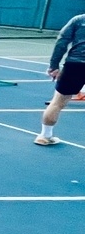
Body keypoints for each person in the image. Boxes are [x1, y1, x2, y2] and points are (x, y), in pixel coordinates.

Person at [35, 12, 85, 146]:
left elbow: (62, 41)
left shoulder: (79, 20)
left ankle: (44, 136)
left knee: (57, 102)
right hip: (77, 63)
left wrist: (54, 65)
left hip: (75, 65)